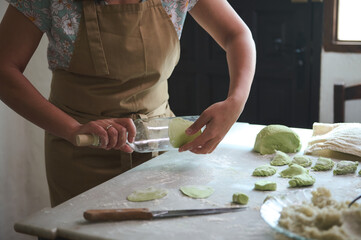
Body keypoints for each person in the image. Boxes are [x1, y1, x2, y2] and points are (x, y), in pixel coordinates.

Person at [0, 0, 256, 207]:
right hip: (81, 150)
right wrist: (72, 129)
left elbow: (236, 34)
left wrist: (236, 100)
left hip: (159, 144)